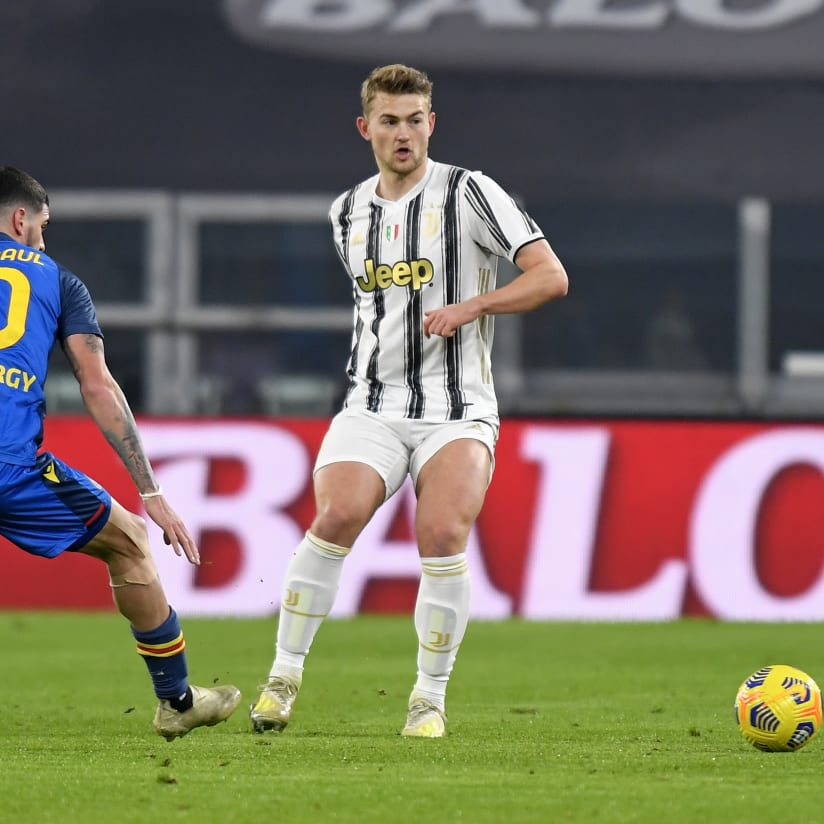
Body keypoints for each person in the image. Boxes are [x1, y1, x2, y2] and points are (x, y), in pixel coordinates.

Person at [250, 64, 568, 738]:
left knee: (443, 534)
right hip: (372, 403)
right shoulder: (346, 212)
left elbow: (550, 277)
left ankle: (428, 698)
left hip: (458, 407)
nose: (403, 133)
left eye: (415, 120)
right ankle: (282, 678)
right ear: (365, 128)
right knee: (336, 516)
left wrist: (473, 305)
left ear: (432, 124)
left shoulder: (470, 192)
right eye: (389, 121)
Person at [0, 166, 242, 740]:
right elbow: (97, 385)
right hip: (10, 467)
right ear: (21, 218)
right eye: (43, 227)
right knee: (130, 542)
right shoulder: (58, 282)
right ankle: (177, 700)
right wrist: (150, 491)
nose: (43, 240)